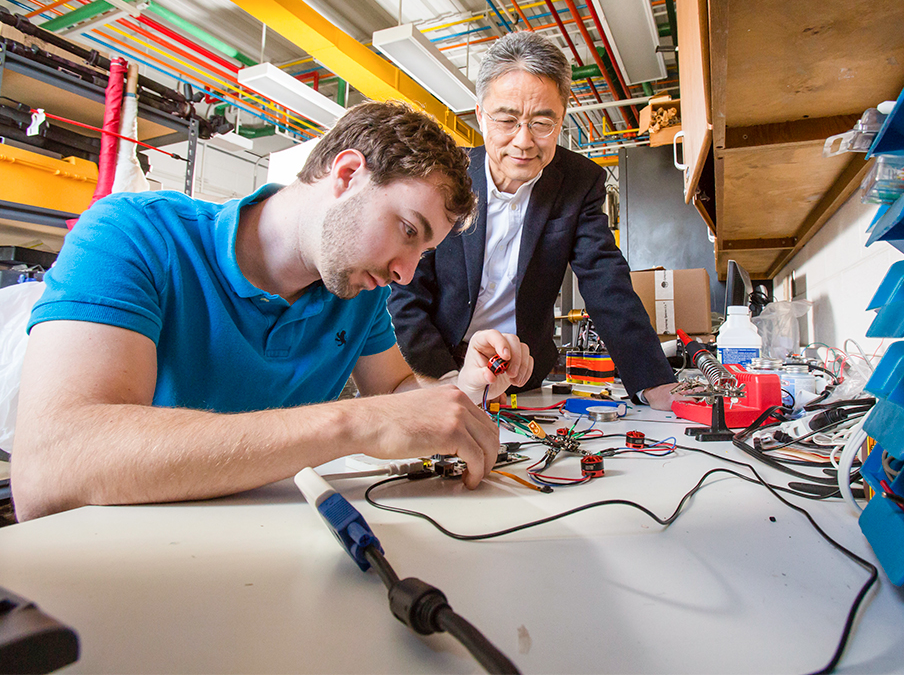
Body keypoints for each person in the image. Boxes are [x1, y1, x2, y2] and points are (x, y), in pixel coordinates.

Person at [12, 101, 533, 521]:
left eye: (422, 253)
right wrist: (351, 424)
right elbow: (49, 470)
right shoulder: (136, 235)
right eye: (408, 231)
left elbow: (394, 395)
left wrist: (462, 387)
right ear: (348, 174)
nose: (405, 272)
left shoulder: (357, 292)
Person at [388, 31, 679, 409]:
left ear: (562, 118)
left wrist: (653, 381)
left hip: (520, 375)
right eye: (507, 120)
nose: (524, 141)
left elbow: (606, 281)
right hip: (434, 366)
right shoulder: (442, 176)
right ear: (480, 114)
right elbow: (407, 291)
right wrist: (445, 382)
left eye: (543, 123)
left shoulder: (579, 182)